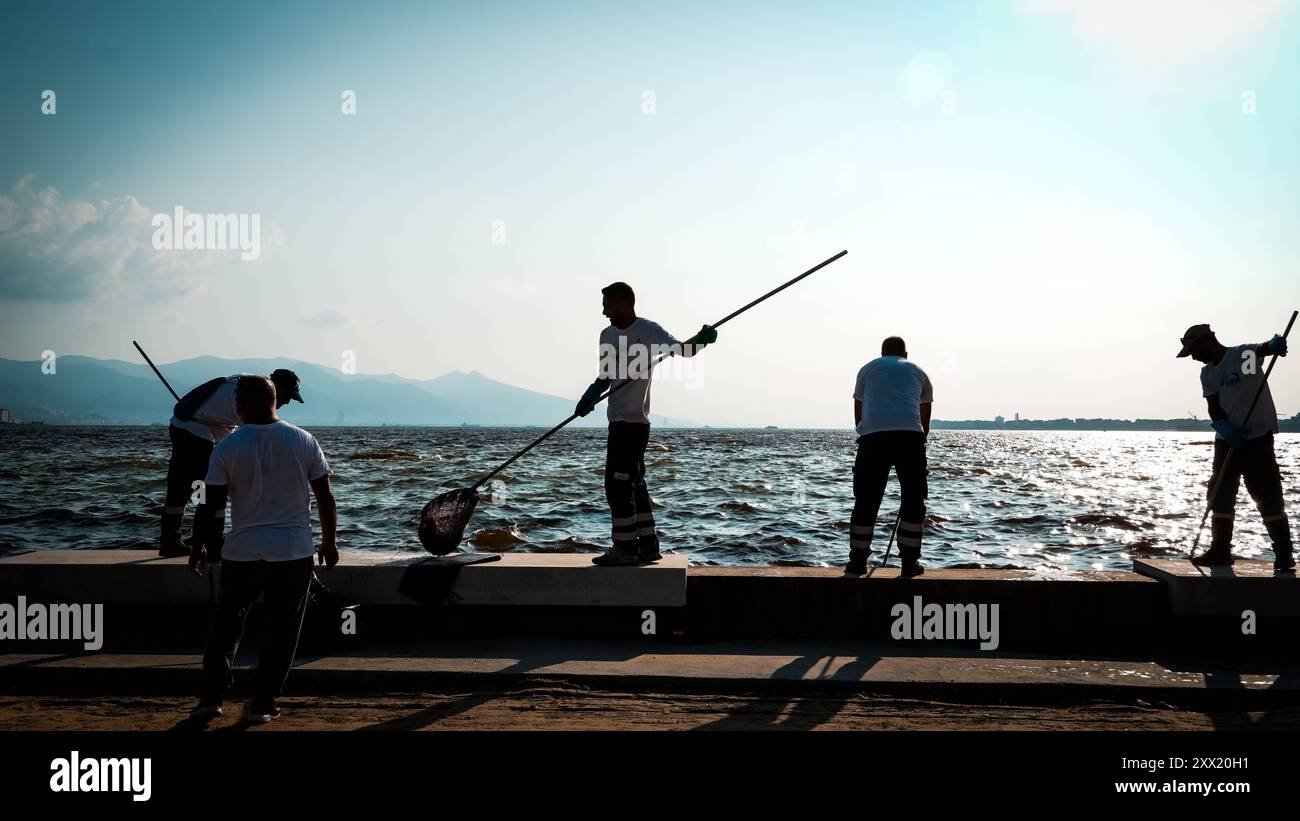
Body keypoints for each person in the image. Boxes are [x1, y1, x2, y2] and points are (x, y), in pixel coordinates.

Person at [186, 375, 338, 723]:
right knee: (282, 630)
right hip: (292, 552)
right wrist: (329, 541)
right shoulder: (303, 440)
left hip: (243, 552)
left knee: (226, 627)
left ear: (247, 402)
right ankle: (264, 703)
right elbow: (325, 498)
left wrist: (198, 546)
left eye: (238, 399)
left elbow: (208, 505)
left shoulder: (227, 447)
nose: (235, 404)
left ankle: (211, 698)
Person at [574, 281, 717, 566]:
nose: (604, 312)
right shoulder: (606, 335)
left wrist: (702, 339)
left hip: (635, 423)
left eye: (607, 305)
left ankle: (625, 548)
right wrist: (589, 395)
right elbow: (605, 376)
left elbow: (683, 351)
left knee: (617, 486)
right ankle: (649, 545)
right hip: (616, 420)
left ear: (624, 303)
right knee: (634, 484)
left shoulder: (649, 331)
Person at [1177, 323, 1293, 570]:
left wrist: (1272, 346)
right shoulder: (1207, 374)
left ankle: (1284, 554)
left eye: (1194, 351)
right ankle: (1220, 551)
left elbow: (1260, 351)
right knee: (1219, 495)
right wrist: (1226, 429)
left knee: (1267, 497)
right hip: (1227, 441)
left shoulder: (1241, 357)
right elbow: (1214, 408)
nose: (1194, 357)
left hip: (1257, 440)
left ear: (1207, 341)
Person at [160, 368, 304, 557]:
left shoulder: (247, 386)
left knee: (199, 487)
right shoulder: (250, 396)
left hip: (200, 428)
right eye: (287, 396)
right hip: (192, 430)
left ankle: (197, 538)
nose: (285, 403)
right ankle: (203, 541)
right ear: (276, 387)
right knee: (203, 488)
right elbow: (256, 435)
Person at [847, 336, 933, 577]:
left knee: (866, 499)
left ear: (882, 352)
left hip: (873, 439)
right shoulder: (918, 371)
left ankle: (857, 562)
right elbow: (924, 410)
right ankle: (909, 563)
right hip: (909, 438)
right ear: (905, 353)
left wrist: (863, 429)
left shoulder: (868, 369)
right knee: (913, 501)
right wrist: (922, 437)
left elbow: (859, 404)